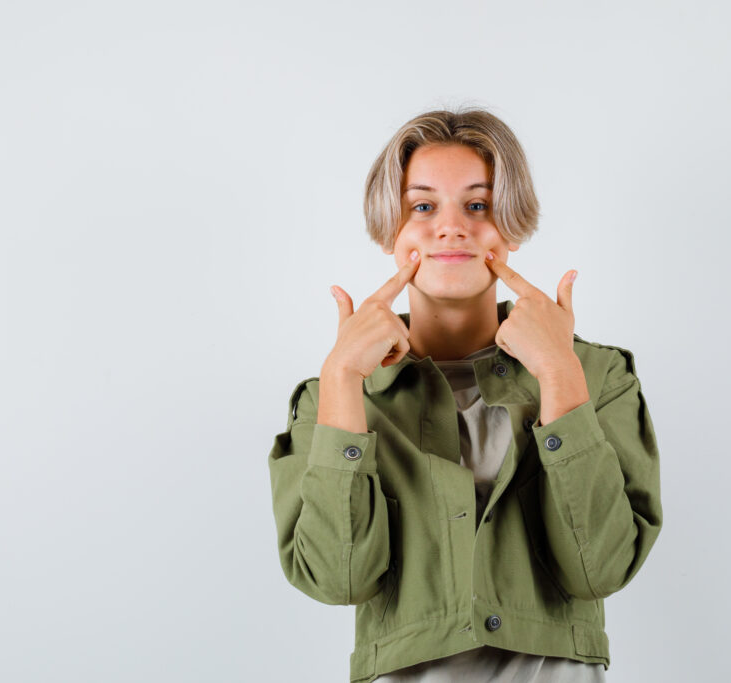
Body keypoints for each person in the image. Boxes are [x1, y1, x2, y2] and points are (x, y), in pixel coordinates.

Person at [267, 107, 662, 682]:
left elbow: (599, 569)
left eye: (477, 206)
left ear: (511, 226)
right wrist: (343, 379)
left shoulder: (598, 375)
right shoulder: (331, 395)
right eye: (423, 206)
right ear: (390, 228)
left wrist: (559, 372)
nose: (451, 228)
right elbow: (338, 579)